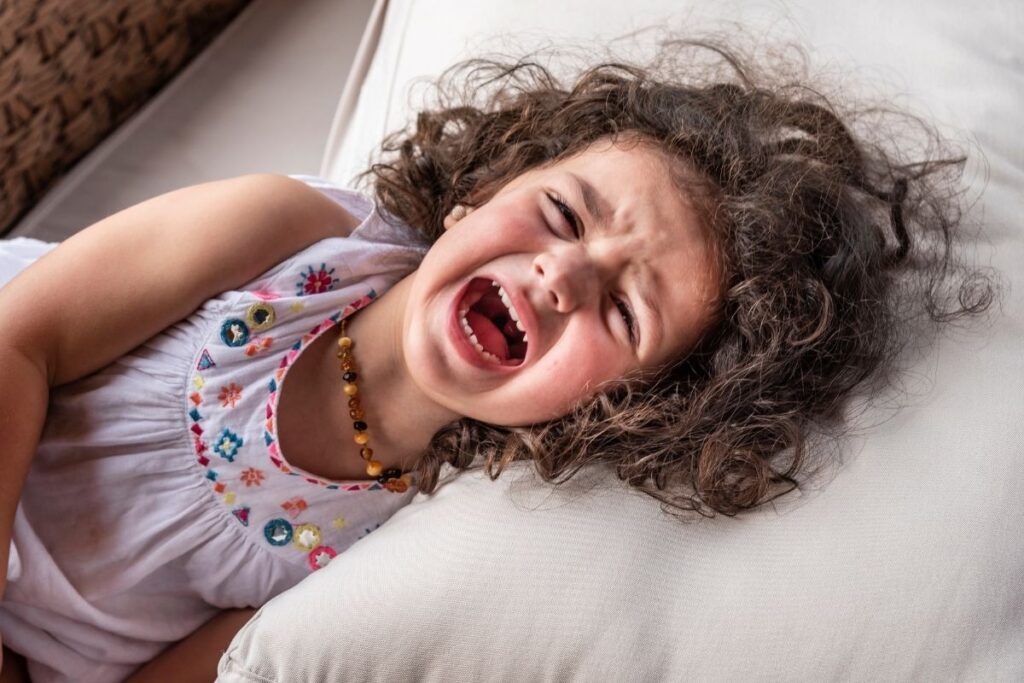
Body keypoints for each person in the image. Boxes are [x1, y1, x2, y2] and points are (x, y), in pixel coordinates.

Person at [0, 40, 996, 682]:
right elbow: (24, 337)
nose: (562, 275)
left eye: (622, 310)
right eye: (562, 213)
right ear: (483, 187)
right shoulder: (300, 237)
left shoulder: (408, 536)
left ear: (624, 405)